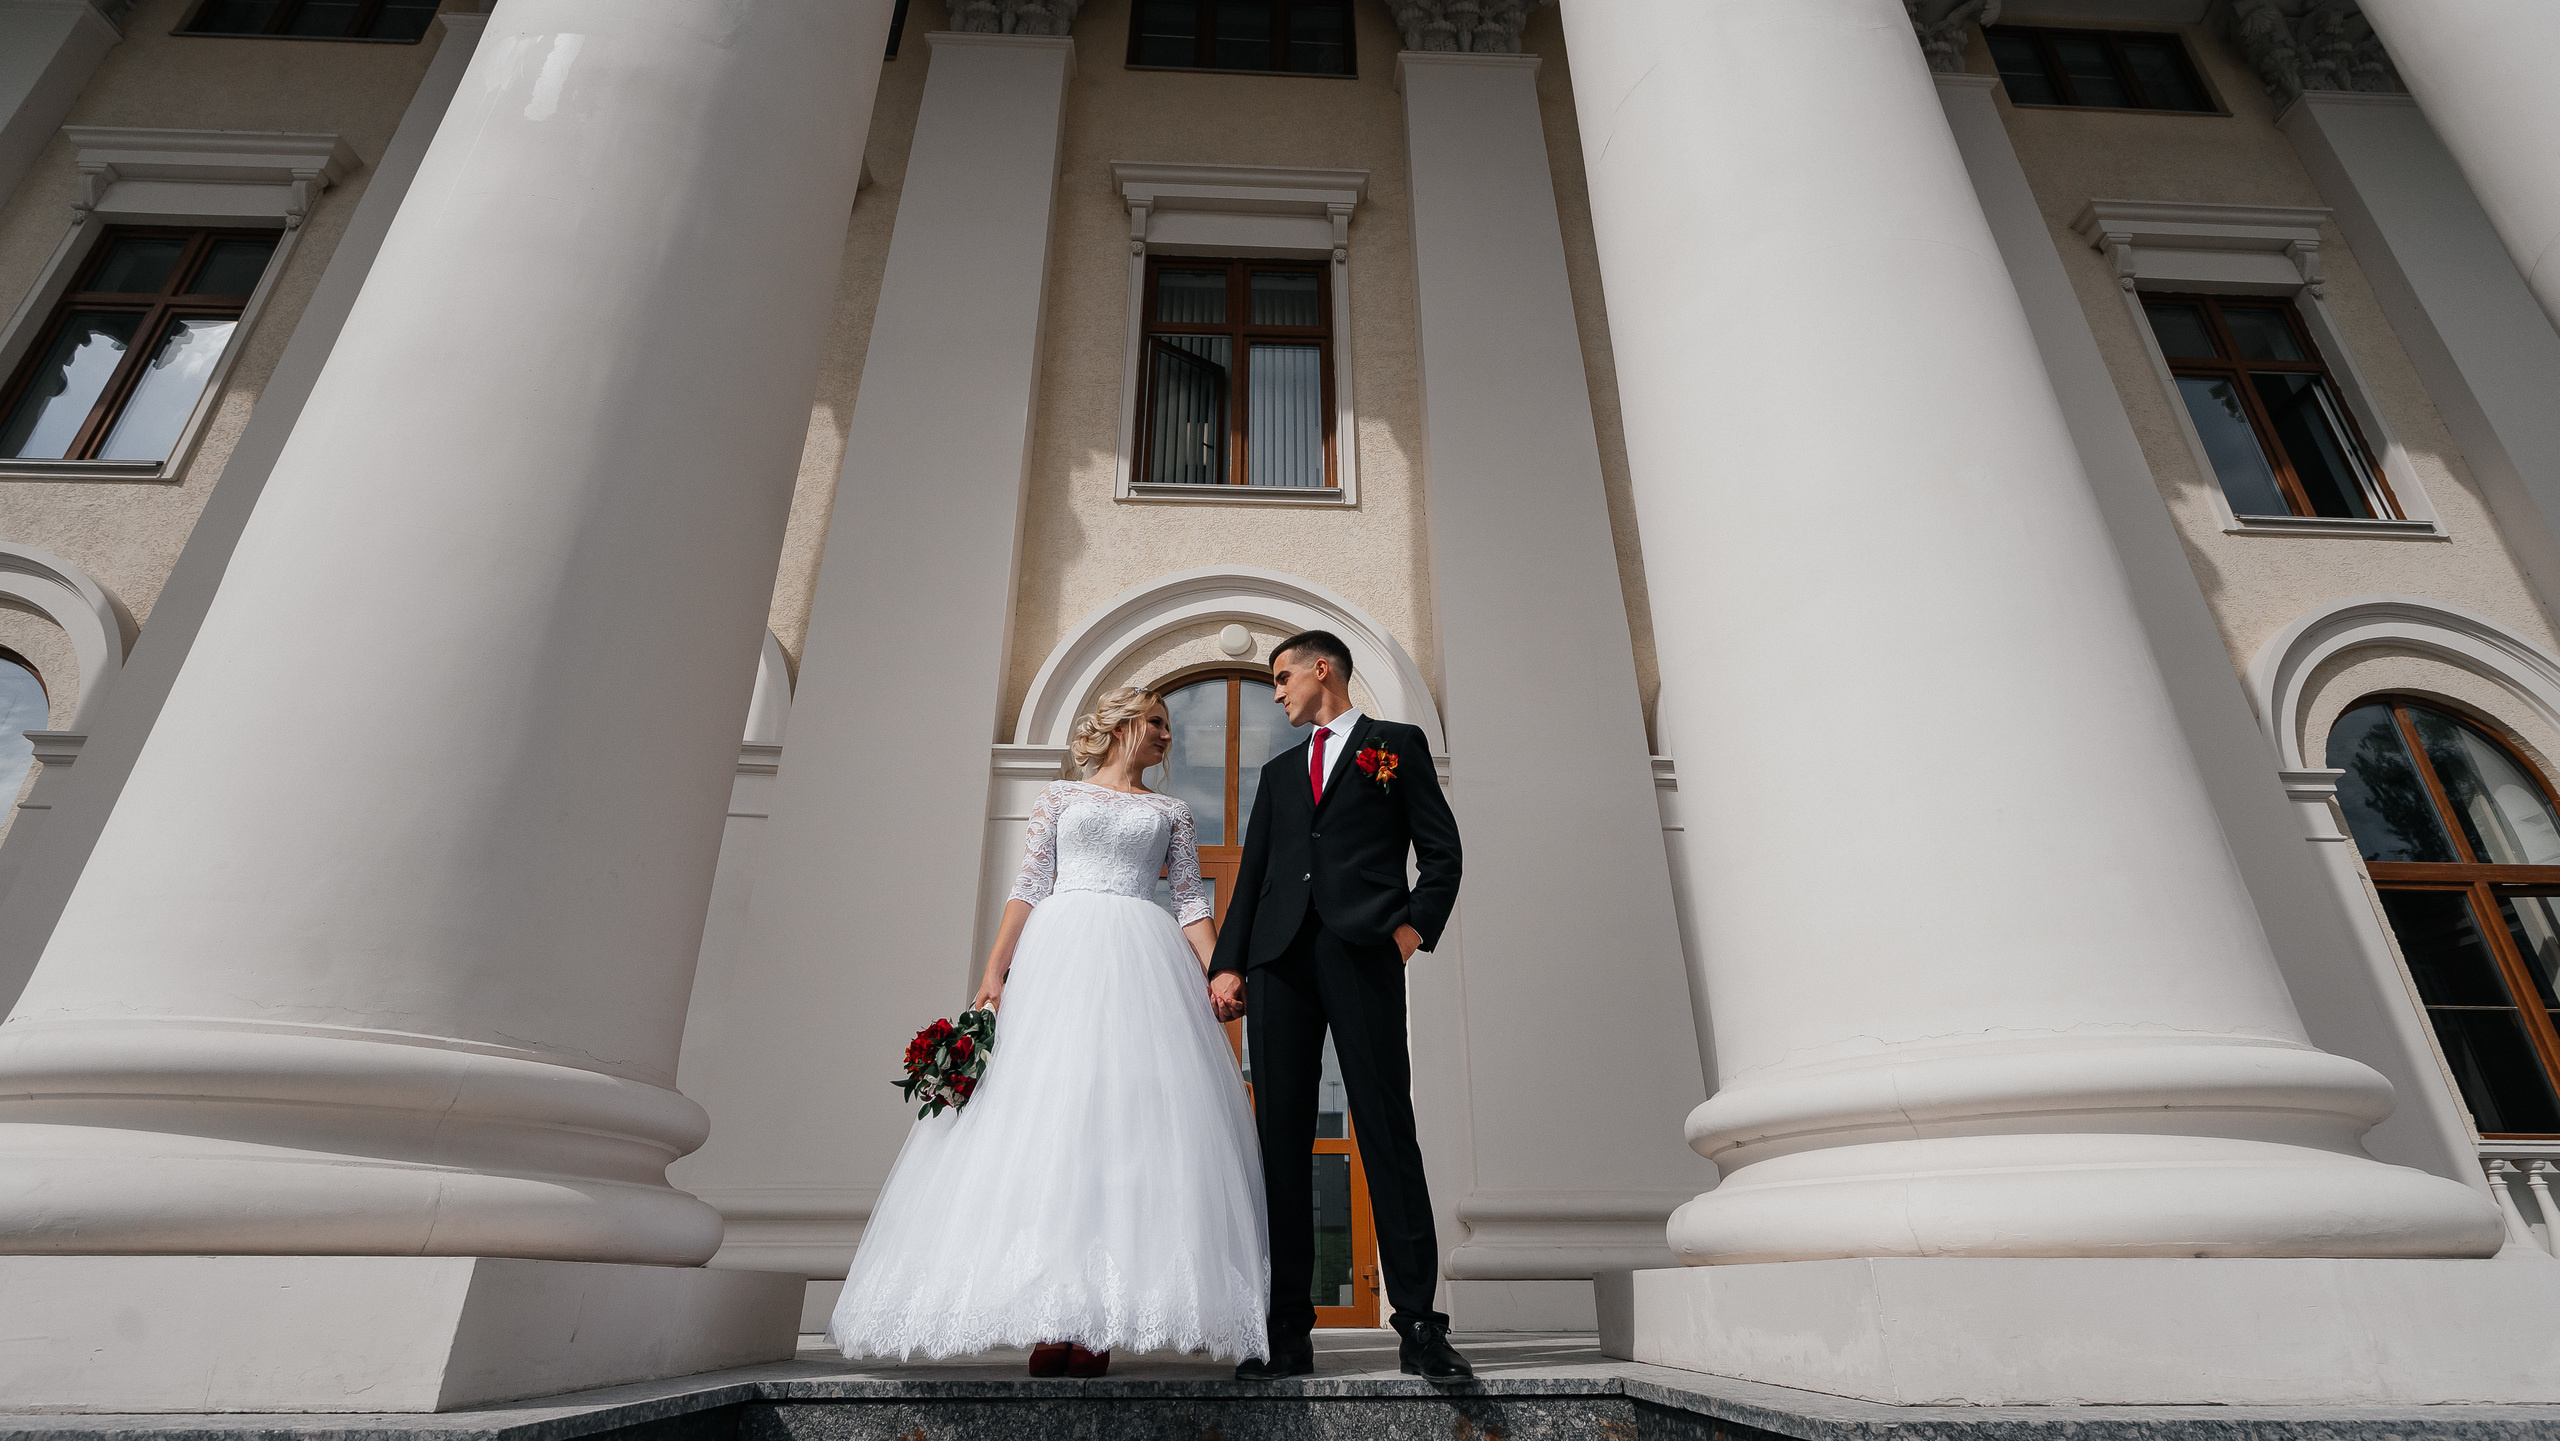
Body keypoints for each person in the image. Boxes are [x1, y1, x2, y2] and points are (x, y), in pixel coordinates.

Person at [826, 687, 1268, 1377]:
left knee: (1122, 1131)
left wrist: (1218, 972)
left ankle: (1096, 1318)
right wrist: (995, 973)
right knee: (1047, 1121)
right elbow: (1029, 883)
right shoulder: (1059, 797)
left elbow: (1187, 898)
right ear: (1122, 725)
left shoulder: (1170, 812)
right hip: (1059, 954)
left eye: (1169, 727)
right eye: (1156, 722)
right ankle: (1047, 1312)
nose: (1165, 736)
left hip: (1140, 962)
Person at [1208, 630, 1470, 1383]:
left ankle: (1420, 1326)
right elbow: (1254, 872)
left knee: (1387, 1129)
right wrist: (1229, 963)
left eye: (1283, 676)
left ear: (1322, 668)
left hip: (1363, 953)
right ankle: (1286, 1326)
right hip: (1279, 962)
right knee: (1280, 1141)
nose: (1278, 691)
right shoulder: (1280, 770)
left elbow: (1442, 852)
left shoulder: (1396, 744)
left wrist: (1409, 934)